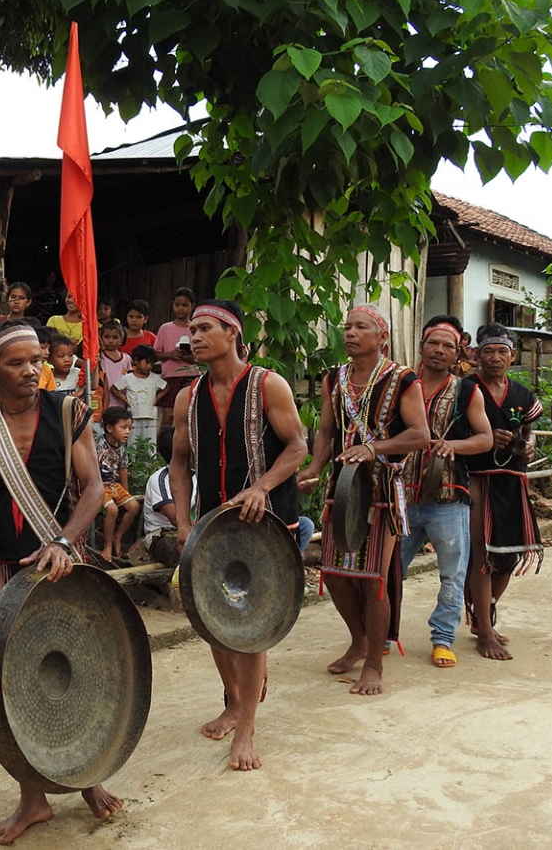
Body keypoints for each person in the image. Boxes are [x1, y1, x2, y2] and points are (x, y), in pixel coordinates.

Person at [0, 319, 119, 844]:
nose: (31, 371)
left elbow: (94, 489)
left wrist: (65, 542)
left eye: (37, 361)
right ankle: (33, 799)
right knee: (16, 687)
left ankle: (88, 776)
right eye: (16, 363)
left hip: (67, 562)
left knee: (86, 668)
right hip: (7, 570)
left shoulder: (68, 409)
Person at [171, 299, 308, 768]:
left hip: (267, 525)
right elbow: (179, 462)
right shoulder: (187, 398)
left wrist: (262, 487)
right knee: (213, 623)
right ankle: (233, 701)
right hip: (212, 526)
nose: (196, 336)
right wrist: (184, 522)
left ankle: (245, 731)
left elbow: (298, 447)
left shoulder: (269, 385)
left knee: (251, 631)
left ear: (233, 333)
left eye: (206, 327)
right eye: (192, 329)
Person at [297, 305, 427, 694]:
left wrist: (374, 448)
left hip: (382, 489)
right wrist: (315, 467)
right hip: (341, 488)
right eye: (347, 326)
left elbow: (420, 435)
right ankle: (359, 639)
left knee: (373, 581)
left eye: (361, 327)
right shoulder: (334, 378)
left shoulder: (402, 379)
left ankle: (374, 665)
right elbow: (326, 430)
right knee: (335, 575)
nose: (350, 333)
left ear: (381, 337)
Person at [397, 316, 493, 668]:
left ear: (457, 354)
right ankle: (385, 632)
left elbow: (485, 437)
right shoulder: (400, 384)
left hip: (448, 498)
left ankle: (443, 637)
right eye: (433, 343)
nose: (439, 351)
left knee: (452, 571)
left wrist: (453, 445)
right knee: (389, 569)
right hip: (400, 497)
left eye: (448, 346)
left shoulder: (467, 390)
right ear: (421, 346)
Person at [461, 325, 545, 658]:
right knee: (483, 556)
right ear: (477, 355)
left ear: (512, 356)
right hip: (477, 477)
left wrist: (527, 446)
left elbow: (529, 431)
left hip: (513, 478)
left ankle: (486, 613)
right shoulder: (465, 389)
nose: (496, 358)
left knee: (509, 554)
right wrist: (482, 437)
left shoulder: (522, 394)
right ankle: (483, 630)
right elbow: (450, 427)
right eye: (489, 351)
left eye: (502, 352)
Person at [97, 405, 141, 561]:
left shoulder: (122, 448)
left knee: (134, 506)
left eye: (129, 428)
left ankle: (118, 536)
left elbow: (123, 469)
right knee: (112, 510)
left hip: (113, 485)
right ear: (109, 428)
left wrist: (126, 491)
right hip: (98, 485)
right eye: (123, 427)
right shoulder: (98, 444)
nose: (127, 432)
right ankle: (107, 544)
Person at [154, 287, 200, 428]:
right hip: (170, 377)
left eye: (184, 305)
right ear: (172, 305)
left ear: (192, 306)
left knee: (190, 415)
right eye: (177, 305)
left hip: (191, 376)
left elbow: (201, 356)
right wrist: (170, 354)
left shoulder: (196, 328)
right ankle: (165, 447)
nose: (180, 308)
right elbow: (155, 352)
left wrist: (190, 358)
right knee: (167, 417)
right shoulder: (165, 328)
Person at [143, 428, 187, 566]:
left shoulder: (195, 475)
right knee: (187, 553)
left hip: (189, 530)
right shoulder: (160, 479)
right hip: (161, 535)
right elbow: (175, 518)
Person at [112, 344, 168, 444]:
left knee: (151, 444)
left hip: (150, 416)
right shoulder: (128, 378)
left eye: (151, 364)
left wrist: (157, 398)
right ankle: (132, 460)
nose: (149, 366)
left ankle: (150, 460)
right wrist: (125, 400)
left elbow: (166, 387)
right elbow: (114, 388)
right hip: (133, 416)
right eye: (146, 363)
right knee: (132, 444)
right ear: (136, 361)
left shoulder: (154, 378)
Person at [98, 321, 131, 410]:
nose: (110, 341)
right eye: (107, 337)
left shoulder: (126, 359)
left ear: (121, 338)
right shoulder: (99, 357)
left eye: (115, 337)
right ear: (101, 337)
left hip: (122, 402)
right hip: (103, 402)